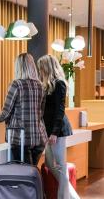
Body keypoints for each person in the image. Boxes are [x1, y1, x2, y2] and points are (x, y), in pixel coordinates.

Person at [37, 55, 80, 199]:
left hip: (58, 130)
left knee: (61, 167)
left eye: (41, 67)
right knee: (50, 163)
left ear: (47, 67)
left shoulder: (59, 83)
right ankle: (72, 195)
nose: (40, 70)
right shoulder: (47, 84)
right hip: (49, 130)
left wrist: (54, 132)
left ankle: (65, 197)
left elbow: (59, 110)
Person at [0, 53, 48, 165]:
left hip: (20, 137)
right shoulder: (40, 85)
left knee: (25, 175)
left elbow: (6, 111)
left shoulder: (16, 85)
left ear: (18, 67)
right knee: (32, 172)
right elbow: (41, 112)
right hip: (39, 136)